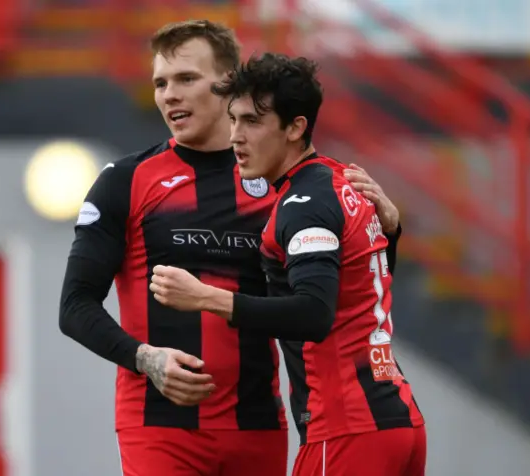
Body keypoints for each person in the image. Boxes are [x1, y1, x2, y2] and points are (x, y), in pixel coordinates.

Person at [59, 20, 401, 476]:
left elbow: (350, 295)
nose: (168, 96)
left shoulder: (284, 186)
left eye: (186, 79)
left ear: (228, 87)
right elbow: (74, 305)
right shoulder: (124, 181)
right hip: (160, 428)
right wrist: (146, 358)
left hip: (258, 424)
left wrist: (390, 231)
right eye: (160, 83)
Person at [149, 53, 426, 476]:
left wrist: (205, 297)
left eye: (253, 122)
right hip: (398, 421)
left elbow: (314, 312)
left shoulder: (303, 204)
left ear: (296, 127)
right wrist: (392, 234)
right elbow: (362, 290)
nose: (236, 136)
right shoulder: (340, 182)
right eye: (234, 119)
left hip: (346, 429)